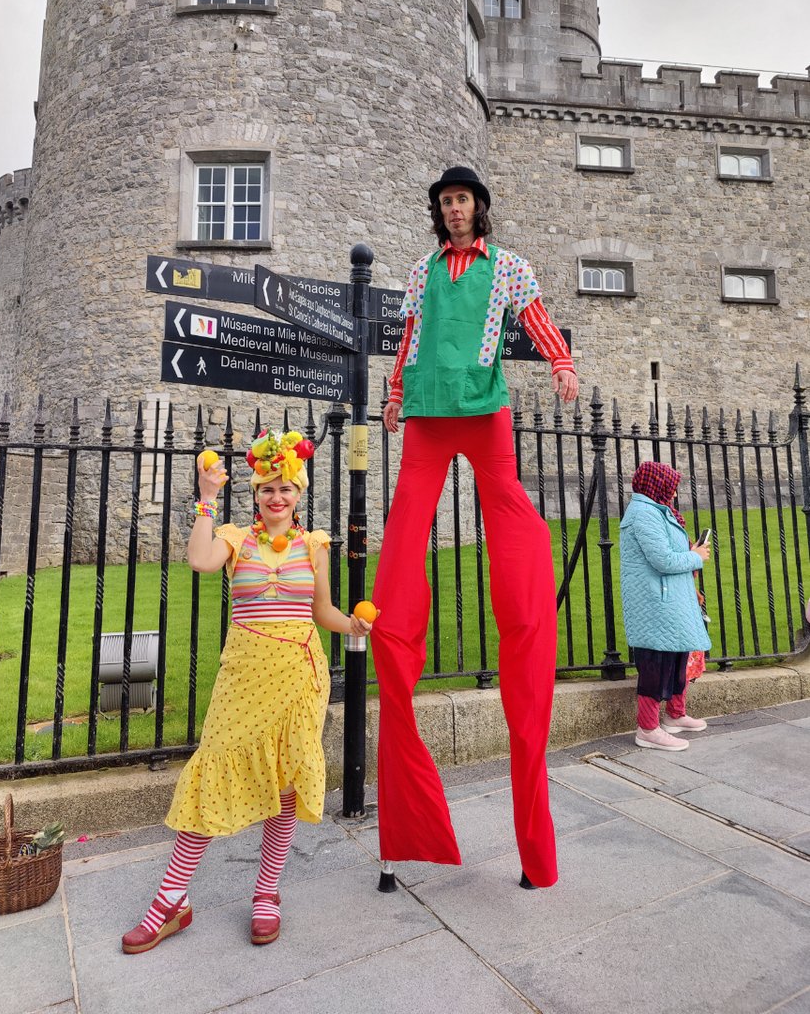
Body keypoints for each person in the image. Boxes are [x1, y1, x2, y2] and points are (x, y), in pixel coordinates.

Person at [372, 165, 579, 891]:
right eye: (444, 203)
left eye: (461, 200)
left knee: (515, 524)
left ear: (478, 207)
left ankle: (526, 604)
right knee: (402, 539)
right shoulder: (420, 269)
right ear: (438, 212)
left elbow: (536, 321)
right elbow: (410, 336)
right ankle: (393, 622)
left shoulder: (510, 267)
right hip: (429, 411)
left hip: (483, 408)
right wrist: (394, 397)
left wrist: (560, 361)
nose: (453, 210)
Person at [121, 429, 371, 954]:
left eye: (286, 489)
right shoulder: (236, 539)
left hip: (300, 676)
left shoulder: (314, 545)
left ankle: (266, 894)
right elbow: (198, 561)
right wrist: (207, 499)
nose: (276, 497)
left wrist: (352, 626)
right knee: (213, 773)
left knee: (284, 787)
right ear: (255, 495)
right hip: (245, 674)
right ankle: (171, 900)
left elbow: (320, 611)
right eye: (266, 489)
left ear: (300, 495)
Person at [620, 460, 712, 752]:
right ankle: (647, 729)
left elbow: (673, 556)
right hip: (654, 604)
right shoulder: (644, 514)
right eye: (671, 487)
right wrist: (696, 555)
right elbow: (663, 560)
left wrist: (692, 590)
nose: (674, 494)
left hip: (671, 600)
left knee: (677, 659)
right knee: (655, 666)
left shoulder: (659, 511)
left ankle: (675, 715)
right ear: (657, 485)